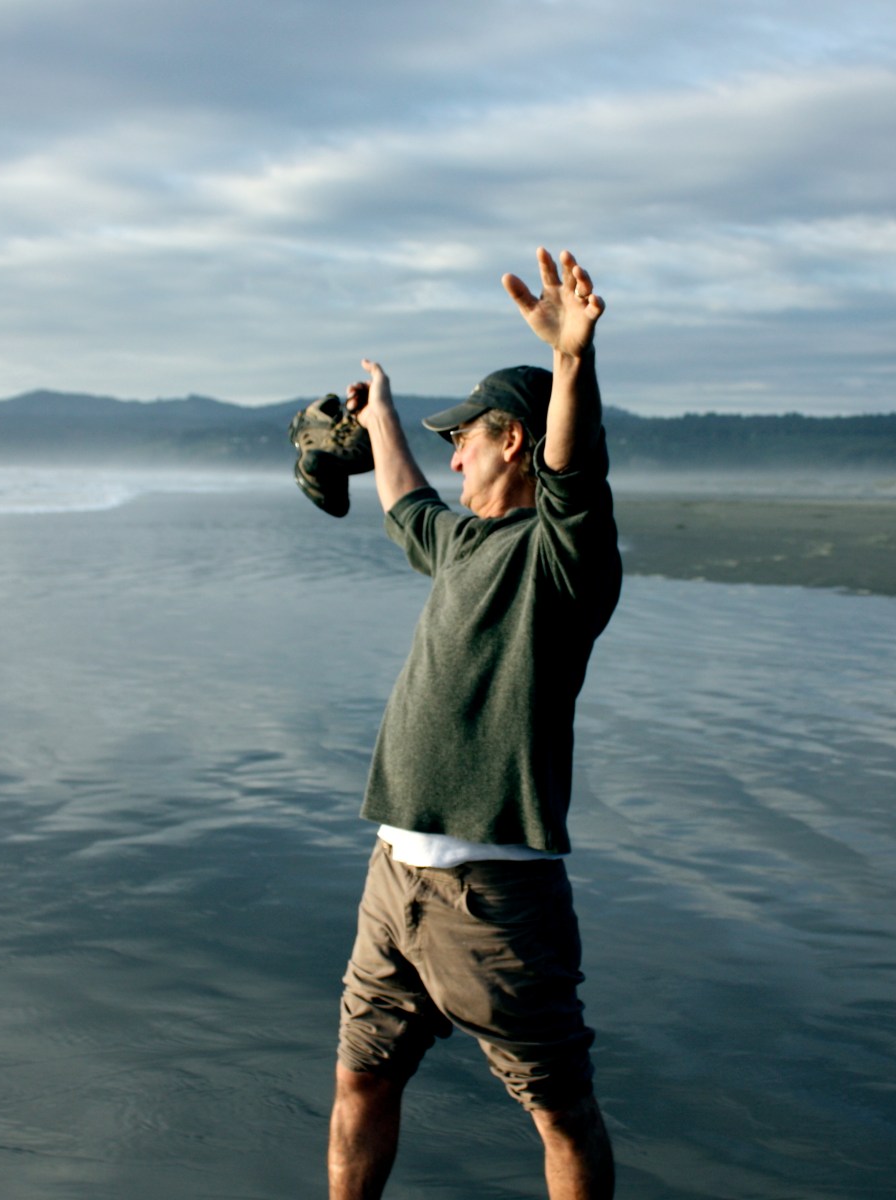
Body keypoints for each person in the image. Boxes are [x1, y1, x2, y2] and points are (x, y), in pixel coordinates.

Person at [327, 248, 621, 1200]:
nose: (452, 454)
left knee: (559, 1111)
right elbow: (405, 499)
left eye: (469, 438)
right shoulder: (461, 541)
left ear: (518, 442)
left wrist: (572, 361)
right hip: (392, 879)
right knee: (360, 1081)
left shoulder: (564, 559)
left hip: (496, 898)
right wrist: (378, 413)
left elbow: (576, 477)